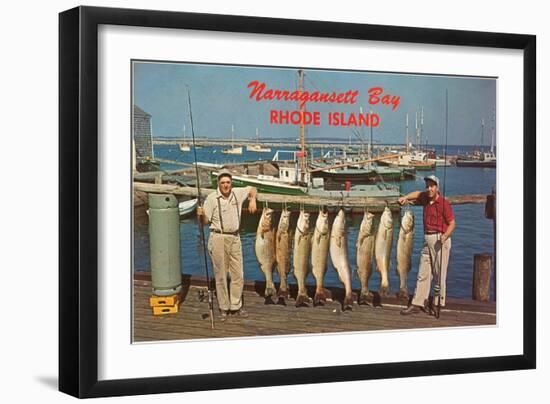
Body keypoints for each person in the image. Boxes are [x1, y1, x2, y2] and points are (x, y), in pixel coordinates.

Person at [196, 169, 257, 321]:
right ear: (218, 184)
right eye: (222, 183)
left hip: (235, 238)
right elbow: (205, 222)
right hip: (218, 237)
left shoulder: (237, 193)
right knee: (221, 275)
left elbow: (252, 188)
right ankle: (224, 307)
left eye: (228, 182)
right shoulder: (211, 198)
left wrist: (252, 199)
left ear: (232, 183)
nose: (226, 185)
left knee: (238, 275)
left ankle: (236, 305)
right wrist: (200, 214)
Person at [398, 175, 456, 315]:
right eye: (428, 186)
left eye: (432, 186)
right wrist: (405, 197)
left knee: (438, 275)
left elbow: (452, 223)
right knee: (423, 273)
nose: (429, 188)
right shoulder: (425, 197)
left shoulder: (444, 203)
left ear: (437, 188)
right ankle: (417, 303)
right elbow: (416, 194)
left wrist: (445, 235)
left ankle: (438, 303)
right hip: (427, 239)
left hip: (439, 241)